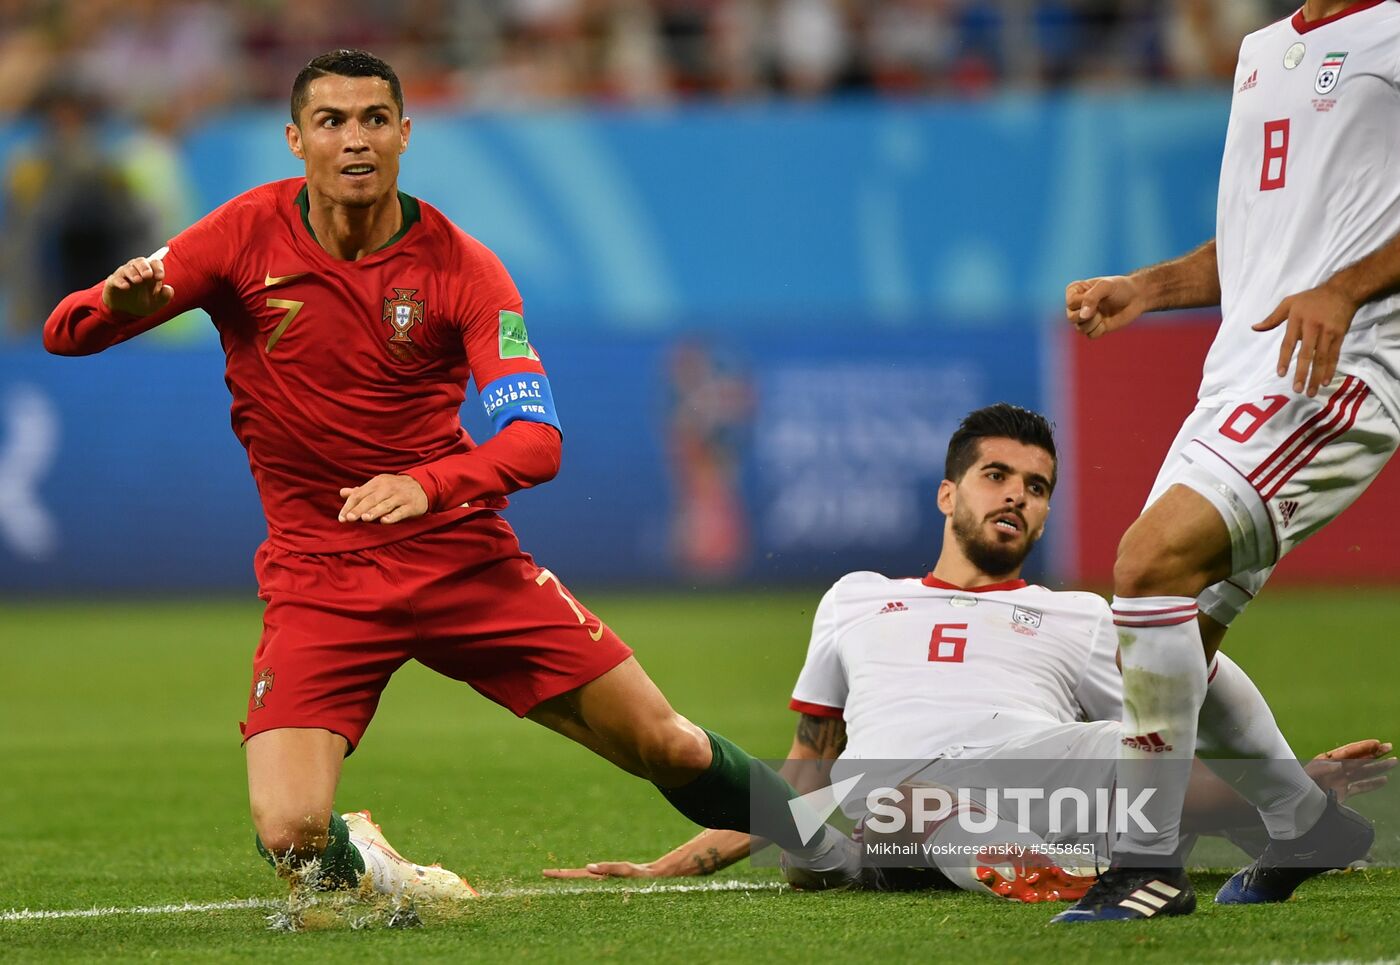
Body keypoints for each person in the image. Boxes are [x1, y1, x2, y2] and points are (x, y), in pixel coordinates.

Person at [42, 49, 853, 907]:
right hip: (321, 578)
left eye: (374, 120)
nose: (355, 139)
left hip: (461, 558)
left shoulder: (463, 268)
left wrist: (428, 484)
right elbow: (66, 332)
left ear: (403, 133)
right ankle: (384, 872)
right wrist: (115, 307)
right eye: (332, 121)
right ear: (295, 139)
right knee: (291, 838)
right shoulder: (241, 234)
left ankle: (828, 844)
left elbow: (537, 441)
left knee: (673, 747)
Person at [542, 404, 1392, 900]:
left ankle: (1295, 822)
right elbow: (803, 773)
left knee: (1136, 737)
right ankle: (1022, 857)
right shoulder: (856, 596)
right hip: (897, 796)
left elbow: (1159, 733)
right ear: (950, 492)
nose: (1017, 495)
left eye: (1036, 486)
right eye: (997, 476)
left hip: (1033, 768)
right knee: (886, 793)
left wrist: (1289, 778)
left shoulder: (1079, 615)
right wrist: (675, 860)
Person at [1059, 0, 1400, 922]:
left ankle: (1143, 866)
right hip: (1239, 377)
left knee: (1147, 565)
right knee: (1178, 639)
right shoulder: (1261, 52)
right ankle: (1306, 823)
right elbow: (1258, 245)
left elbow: (1332, 264)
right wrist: (1149, 286)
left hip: (1339, 370)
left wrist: (1345, 287)